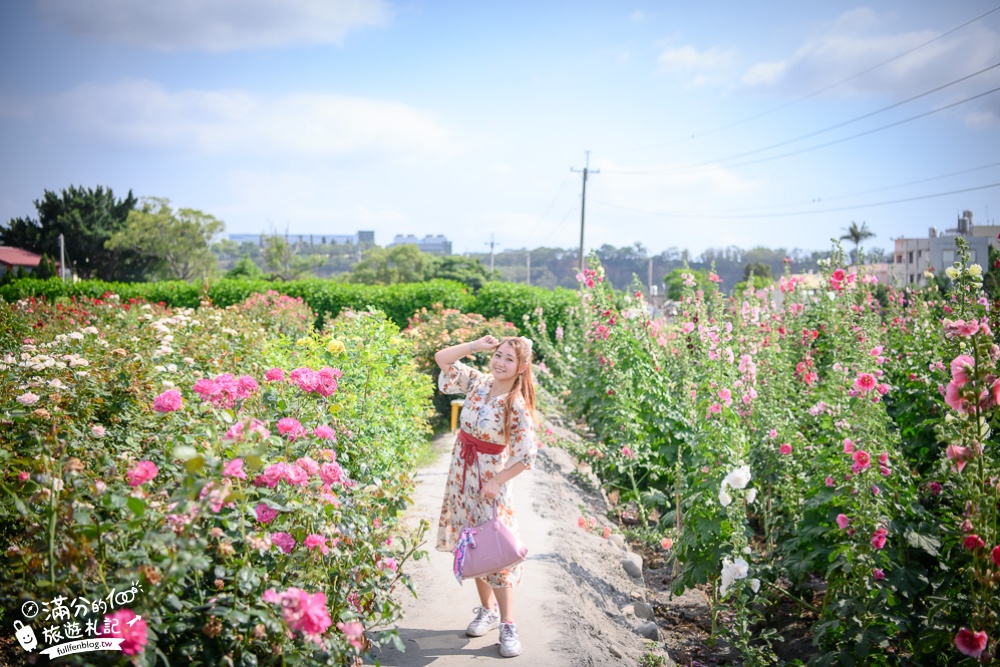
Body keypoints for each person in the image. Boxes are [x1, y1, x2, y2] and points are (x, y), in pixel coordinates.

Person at [434, 334, 538, 658]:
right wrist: (475, 346)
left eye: (509, 359)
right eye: (499, 355)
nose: (501, 362)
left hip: (490, 485)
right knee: (473, 546)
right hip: (461, 478)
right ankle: (487, 610)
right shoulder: (478, 382)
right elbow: (442, 358)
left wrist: (498, 481)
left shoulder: (516, 405)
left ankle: (508, 624)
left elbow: (526, 456)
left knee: (497, 551)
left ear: (521, 367)